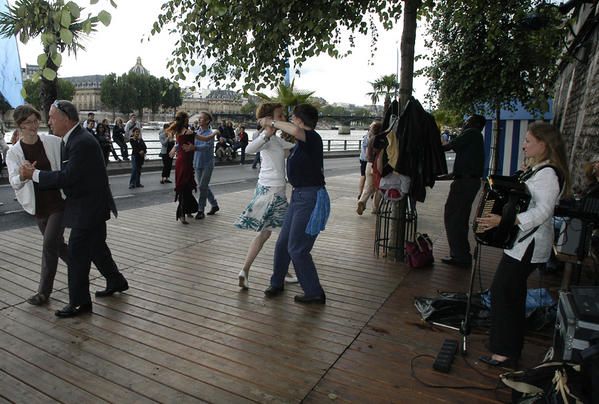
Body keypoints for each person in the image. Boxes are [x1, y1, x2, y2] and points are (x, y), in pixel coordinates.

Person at [19, 100, 128, 318]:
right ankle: (116, 281)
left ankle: (80, 304)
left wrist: (35, 175)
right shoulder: (74, 139)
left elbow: (68, 177)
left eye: (51, 117)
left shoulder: (80, 142)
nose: (48, 121)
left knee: (77, 257)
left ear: (66, 119)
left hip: (87, 209)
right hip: (92, 206)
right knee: (97, 247)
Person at [477, 121, 570, 368]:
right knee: (511, 294)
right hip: (523, 244)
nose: (524, 145)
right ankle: (508, 349)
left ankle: (504, 351)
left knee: (503, 292)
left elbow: (543, 212)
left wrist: (505, 219)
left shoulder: (548, 174)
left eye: (528, 141)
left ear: (543, 145)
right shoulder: (540, 170)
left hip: (529, 244)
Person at [258, 104, 330, 304]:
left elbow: (296, 131)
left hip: (309, 198)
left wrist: (271, 121)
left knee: (297, 248)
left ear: (299, 120)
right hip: (299, 197)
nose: (290, 121)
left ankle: (315, 291)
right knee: (283, 244)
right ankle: (277, 282)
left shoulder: (312, 137)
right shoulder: (301, 144)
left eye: (292, 118)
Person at [6, 104, 68, 306]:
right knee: (59, 247)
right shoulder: (14, 153)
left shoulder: (51, 142)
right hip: (38, 206)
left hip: (58, 202)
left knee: (49, 244)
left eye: (35, 121)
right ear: (19, 126)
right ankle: (90, 266)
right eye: (28, 123)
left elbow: (70, 150)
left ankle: (43, 292)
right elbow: (14, 181)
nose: (33, 126)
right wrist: (23, 176)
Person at [234, 103, 297, 289]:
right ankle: (283, 271)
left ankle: (245, 271)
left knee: (266, 233)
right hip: (273, 190)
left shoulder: (276, 140)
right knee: (284, 233)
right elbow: (248, 150)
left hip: (271, 188)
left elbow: (291, 148)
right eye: (280, 115)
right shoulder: (266, 137)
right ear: (270, 118)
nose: (283, 117)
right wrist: (266, 133)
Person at [441, 114, 486, 268]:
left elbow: (450, 146)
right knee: (460, 217)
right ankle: (461, 253)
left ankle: (459, 255)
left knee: (454, 216)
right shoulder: (476, 138)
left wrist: (430, 148)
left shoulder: (471, 133)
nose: (465, 123)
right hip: (468, 181)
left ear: (475, 123)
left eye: (468, 121)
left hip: (464, 183)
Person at [169, 111, 198, 224]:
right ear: (186, 120)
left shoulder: (178, 132)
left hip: (180, 161)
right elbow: (199, 142)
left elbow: (179, 144)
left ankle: (187, 210)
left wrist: (174, 149)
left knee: (183, 186)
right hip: (186, 162)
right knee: (187, 186)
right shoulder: (189, 132)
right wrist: (214, 134)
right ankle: (182, 212)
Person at [193, 111, 219, 220]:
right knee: (203, 186)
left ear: (207, 121)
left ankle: (200, 210)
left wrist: (195, 148)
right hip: (197, 162)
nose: (199, 120)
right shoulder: (196, 132)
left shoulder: (210, 133)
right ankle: (214, 204)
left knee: (202, 186)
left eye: (201, 118)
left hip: (207, 163)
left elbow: (207, 146)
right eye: (199, 118)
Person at [357, 121, 383, 215]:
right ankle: (375, 208)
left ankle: (362, 201)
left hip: (369, 164)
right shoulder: (382, 139)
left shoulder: (370, 139)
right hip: (378, 165)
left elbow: (367, 155)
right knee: (378, 188)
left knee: (368, 186)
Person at [358, 129, 369, 199]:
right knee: (370, 177)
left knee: (363, 175)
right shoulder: (370, 137)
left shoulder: (366, 136)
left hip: (362, 159)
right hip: (368, 159)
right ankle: (369, 193)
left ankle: (360, 193)